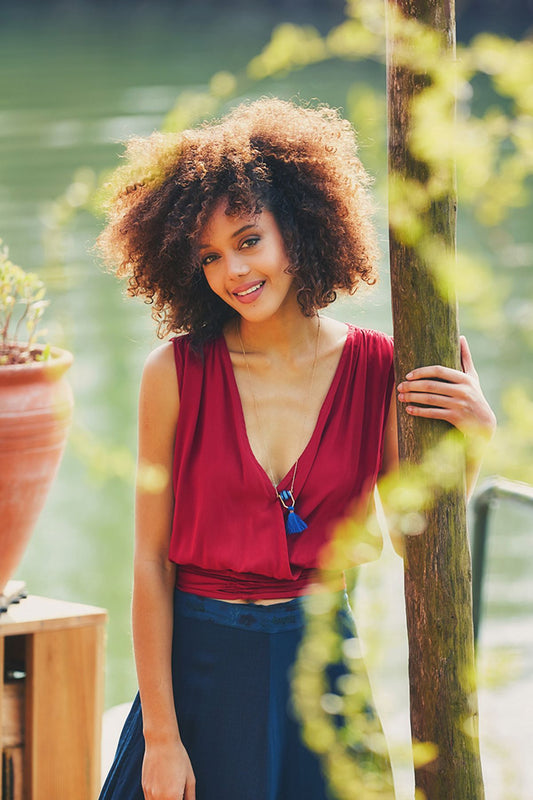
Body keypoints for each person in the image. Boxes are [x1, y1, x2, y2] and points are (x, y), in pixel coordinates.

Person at [96, 98, 496, 800]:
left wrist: (473, 445)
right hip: (196, 676)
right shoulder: (174, 373)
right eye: (210, 256)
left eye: (249, 240)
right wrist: (162, 737)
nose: (233, 272)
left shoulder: (378, 368)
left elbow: (415, 540)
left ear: (301, 229)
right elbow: (149, 563)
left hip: (321, 680)